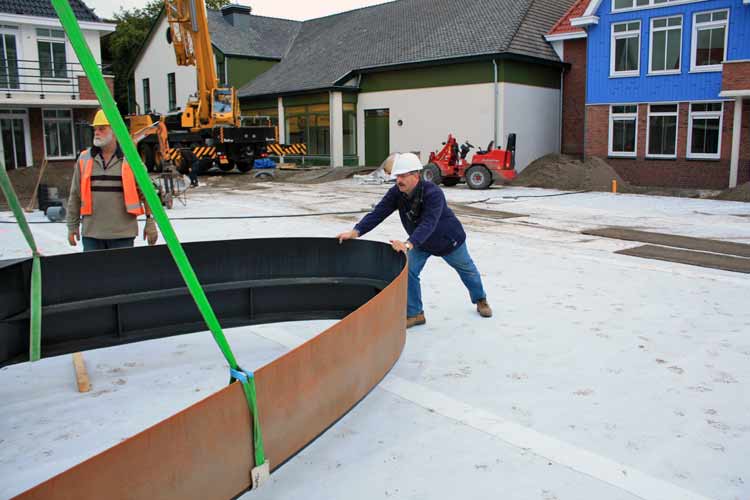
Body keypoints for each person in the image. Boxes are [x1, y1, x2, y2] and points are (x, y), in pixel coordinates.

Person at [337, 153, 492, 328]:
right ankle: (415, 313)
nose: (399, 180)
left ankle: (480, 299)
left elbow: (429, 223)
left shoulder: (433, 193)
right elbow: (378, 213)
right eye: (397, 176)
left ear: (416, 176)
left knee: (468, 271)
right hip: (421, 243)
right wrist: (356, 231)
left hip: (448, 240)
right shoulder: (397, 192)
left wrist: (408, 244)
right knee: (408, 271)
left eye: (403, 176)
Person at [67, 109, 158, 252]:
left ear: (115, 131)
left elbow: (147, 193)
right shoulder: (84, 159)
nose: (96, 133)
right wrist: (72, 226)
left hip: (123, 235)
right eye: (95, 129)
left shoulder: (132, 160)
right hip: (92, 235)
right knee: (95, 275)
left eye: (102, 129)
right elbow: (75, 195)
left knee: (122, 274)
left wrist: (150, 220)